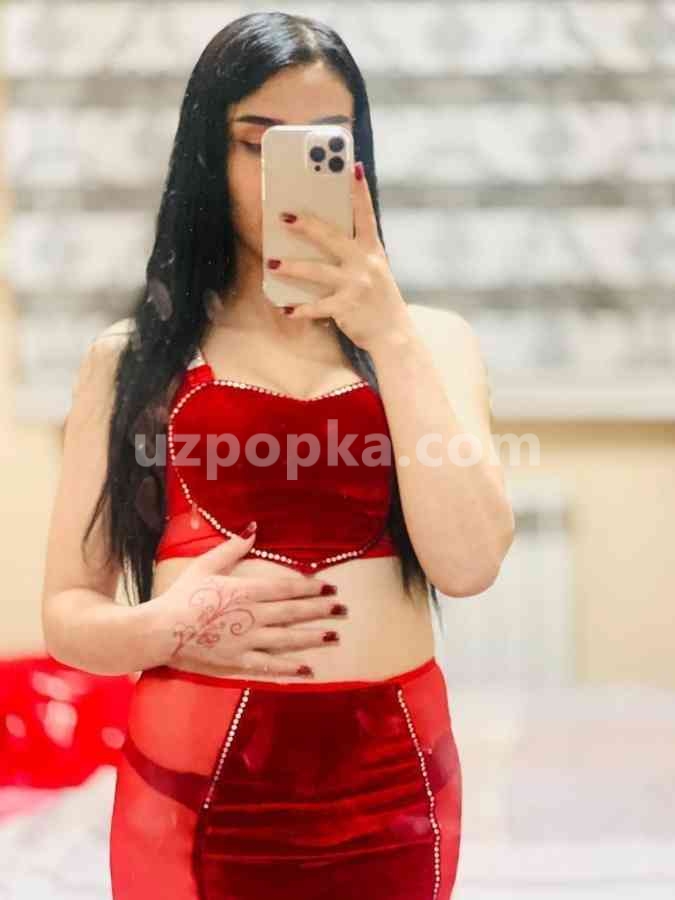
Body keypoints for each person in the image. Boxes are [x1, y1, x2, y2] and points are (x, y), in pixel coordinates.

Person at [41, 11, 514, 900]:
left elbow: (469, 563)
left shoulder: (431, 343)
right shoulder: (131, 361)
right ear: (205, 157)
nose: (287, 176)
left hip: (394, 794)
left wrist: (388, 334)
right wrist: (161, 629)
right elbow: (69, 611)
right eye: (257, 144)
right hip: (190, 796)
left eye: (323, 145)